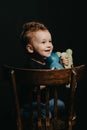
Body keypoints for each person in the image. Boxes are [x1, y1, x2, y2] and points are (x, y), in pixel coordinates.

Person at [19, 21, 69, 122]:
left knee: (60, 105)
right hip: (31, 104)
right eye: (43, 42)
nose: (49, 45)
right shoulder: (30, 67)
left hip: (45, 102)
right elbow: (35, 89)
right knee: (44, 113)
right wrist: (49, 78)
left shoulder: (47, 62)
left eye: (50, 41)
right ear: (30, 48)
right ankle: (22, 112)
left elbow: (55, 67)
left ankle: (48, 116)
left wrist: (61, 63)